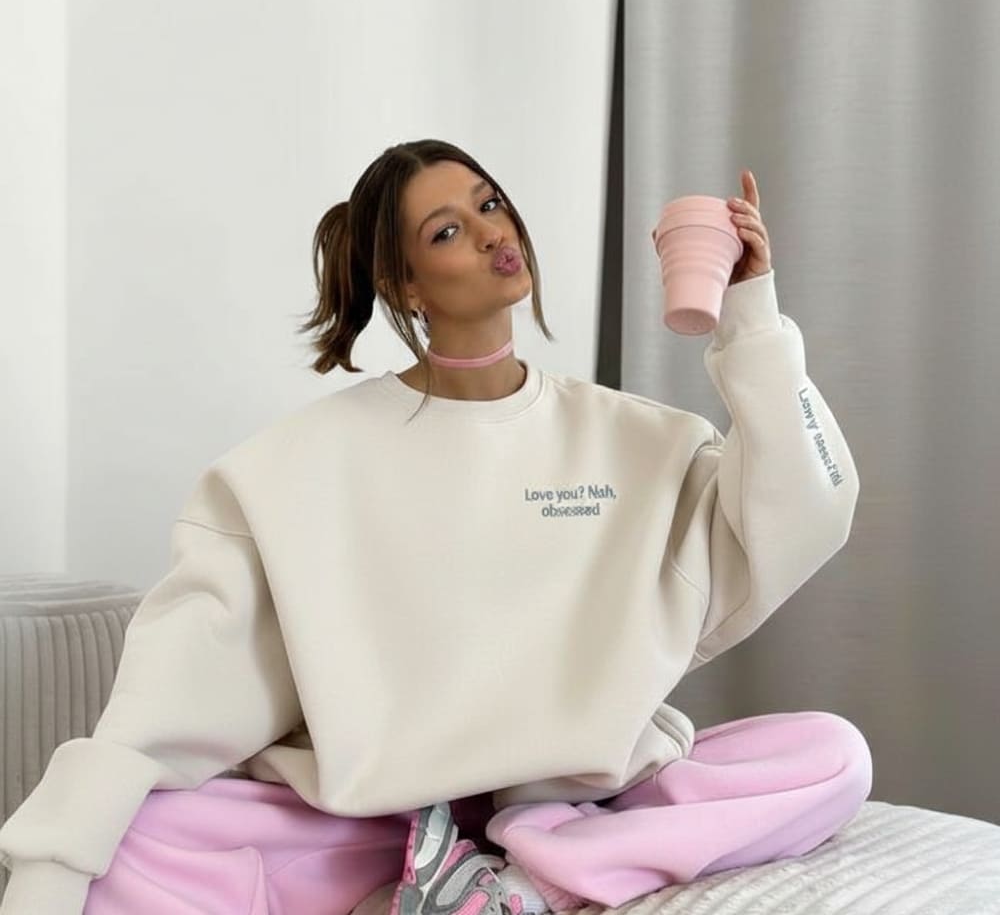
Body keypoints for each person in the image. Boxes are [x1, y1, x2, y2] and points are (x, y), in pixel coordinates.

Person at [0, 139, 872, 915]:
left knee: (830, 754)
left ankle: (522, 887)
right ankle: (458, 875)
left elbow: (804, 513)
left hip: (575, 805)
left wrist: (752, 314)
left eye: (490, 204)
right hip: (384, 824)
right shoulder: (295, 466)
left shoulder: (638, 439)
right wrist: (55, 855)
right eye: (448, 230)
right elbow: (171, 697)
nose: (494, 233)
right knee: (142, 843)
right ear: (402, 283)